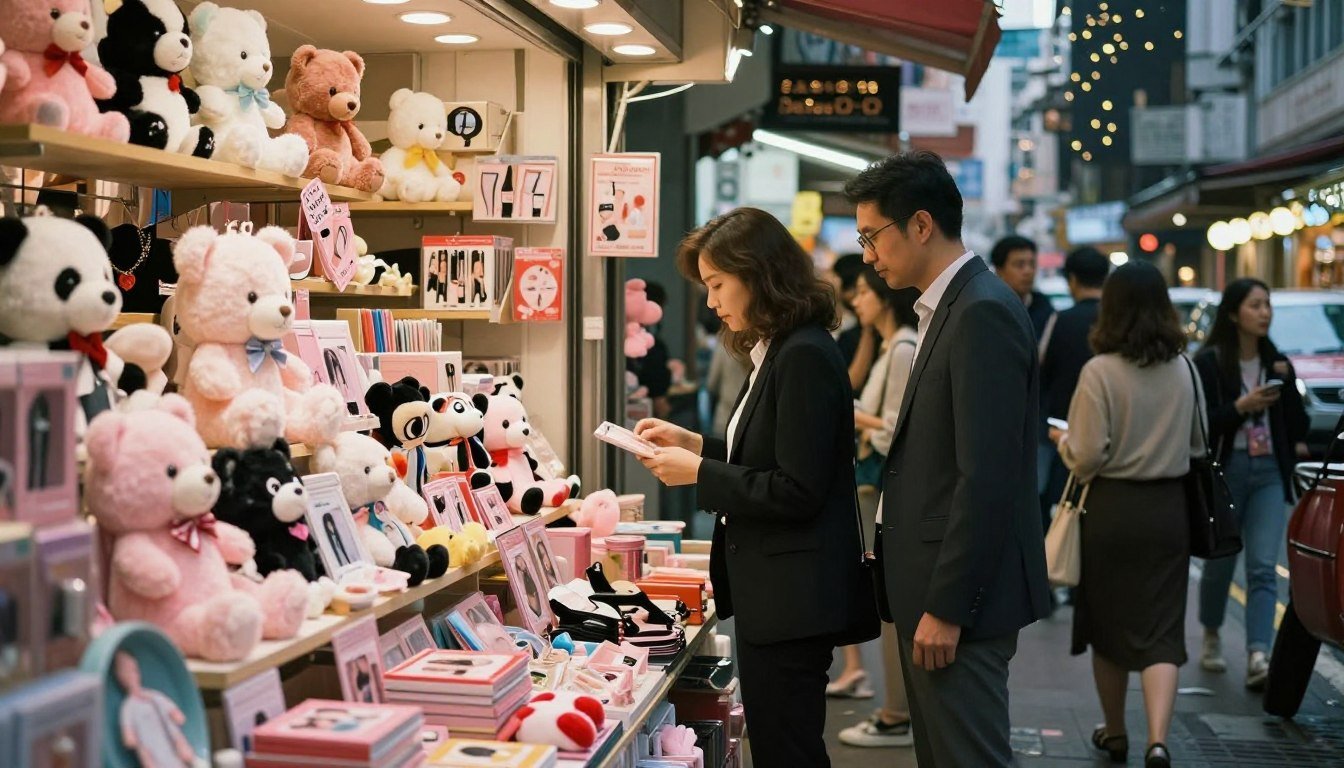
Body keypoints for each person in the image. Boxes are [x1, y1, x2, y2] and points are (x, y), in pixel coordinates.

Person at [634, 206, 879, 767]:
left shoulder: (805, 355)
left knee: (786, 747)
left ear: (759, 275)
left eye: (718, 285)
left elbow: (798, 488)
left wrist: (700, 473)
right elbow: (767, 454)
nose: (712, 302)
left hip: (795, 596)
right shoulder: (775, 349)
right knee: (778, 740)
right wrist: (698, 447)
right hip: (777, 590)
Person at [848, 151, 1051, 767]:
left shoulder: (980, 310)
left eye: (871, 236)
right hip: (931, 591)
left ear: (920, 224)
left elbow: (986, 478)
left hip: (956, 601)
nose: (866, 255)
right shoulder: (952, 306)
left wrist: (947, 606)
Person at [1054, 262, 1206, 768]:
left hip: (1112, 510)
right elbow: (1198, 444)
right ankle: (1158, 740)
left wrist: (1063, 443)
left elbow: (1088, 455)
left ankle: (1115, 731)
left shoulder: (1099, 372)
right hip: (1168, 509)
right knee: (1163, 628)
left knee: (1109, 625)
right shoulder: (1184, 367)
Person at [1193, 278, 1309, 689]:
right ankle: (1210, 632)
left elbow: (1300, 424)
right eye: (1255, 305)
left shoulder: (1277, 363)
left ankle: (1258, 653)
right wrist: (1242, 407)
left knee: (1262, 566)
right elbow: (1202, 423)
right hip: (1226, 471)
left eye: (1268, 304)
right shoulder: (1209, 362)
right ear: (1232, 313)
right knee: (1221, 562)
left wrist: (1286, 391)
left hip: (1268, 474)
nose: (1265, 313)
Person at [834, 265, 920, 748]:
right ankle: (894, 709)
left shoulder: (904, 346)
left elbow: (892, 429)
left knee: (887, 600)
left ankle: (895, 713)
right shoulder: (892, 345)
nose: (857, 299)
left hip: (881, 489)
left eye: (865, 292)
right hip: (874, 488)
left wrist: (851, 415)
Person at [1039, 246, 1109, 528]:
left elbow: (1043, 369)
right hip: (1110, 435)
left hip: (1065, 434)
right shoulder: (1117, 319)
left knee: (1065, 516)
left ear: (1072, 280)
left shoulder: (1061, 320)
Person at [990, 234, 1054, 340]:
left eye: (1032, 264)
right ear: (999, 270)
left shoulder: (1044, 307)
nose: (1028, 271)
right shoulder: (988, 308)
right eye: (1019, 265)